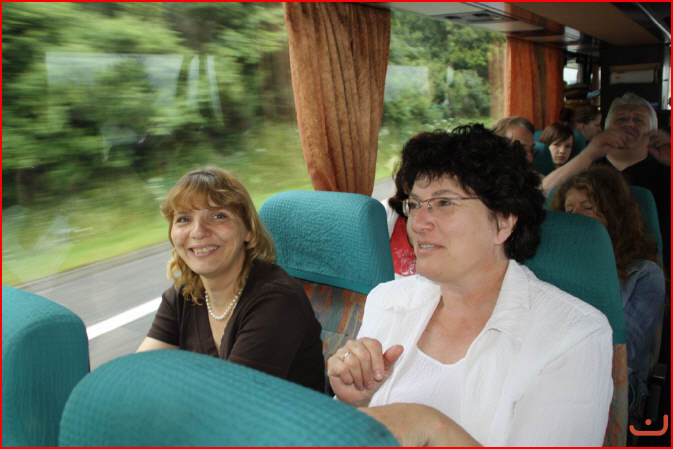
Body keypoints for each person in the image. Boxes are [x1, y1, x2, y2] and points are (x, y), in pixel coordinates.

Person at [328, 125, 613, 446]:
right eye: (415, 204)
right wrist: (355, 401)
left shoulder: (574, 336)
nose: (418, 223)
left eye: (443, 203)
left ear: (503, 221)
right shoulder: (388, 301)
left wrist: (431, 427)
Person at [137, 166, 325, 392]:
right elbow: (138, 373)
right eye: (184, 219)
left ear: (248, 231)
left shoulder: (278, 300)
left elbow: (228, 400)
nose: (198, 231)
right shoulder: (184, 295)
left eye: (218, 216)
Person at [548, 165, 665, 416]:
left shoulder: (644, 274)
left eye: (588, 208)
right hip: (551, 369)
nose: (576, 217)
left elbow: (625, 354)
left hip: (615, 380)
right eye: (570, 210)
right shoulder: (552, 267)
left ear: (613, 215)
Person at [541, 92, 670, 269]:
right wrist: (590, 153)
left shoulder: (665, 170)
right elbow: (544, 193)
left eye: (638, 120)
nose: (629, 124)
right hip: (584, 259)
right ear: (606, 128)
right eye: (621, 119)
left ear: (653, 131)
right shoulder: (586, 167)